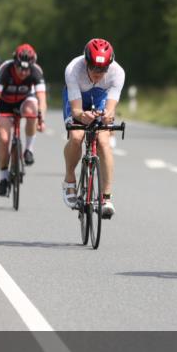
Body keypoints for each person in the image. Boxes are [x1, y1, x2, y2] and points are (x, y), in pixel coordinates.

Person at [62, 38, 125, 218]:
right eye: (94, 68)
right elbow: (76, 110)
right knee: (76, 136)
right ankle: (69, 179)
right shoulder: (73, 69)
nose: (98, 73)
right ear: (86, 62)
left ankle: (106, 197)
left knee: (104, 141)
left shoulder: (118, 72)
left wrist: (107, 116)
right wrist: (82, 116)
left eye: (103, 69)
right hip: (77, 99)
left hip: (100, 98)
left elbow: (110, 108)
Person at [0, 44, 48, 197]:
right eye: (20, 68)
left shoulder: (36, 71)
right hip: (4, 104)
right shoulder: (4, 69)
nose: (23, 72)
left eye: (27, 69)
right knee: (4, 139)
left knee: (32, 111)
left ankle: (29, 149)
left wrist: (41, 119)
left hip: (25, 100)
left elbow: (42, 99)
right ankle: (3, 177)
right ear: (14, 63)